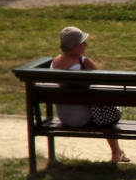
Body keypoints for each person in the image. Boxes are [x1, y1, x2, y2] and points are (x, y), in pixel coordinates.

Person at [51, 26, 129, 163]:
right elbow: (102, 85)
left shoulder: (54, 63)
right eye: (83, 42)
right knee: (108, 112)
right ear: (74, 47)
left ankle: (118, 152)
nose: (86, 44)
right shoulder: (83, 62)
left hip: (65, 117)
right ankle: (116, 152)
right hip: (84, 118)